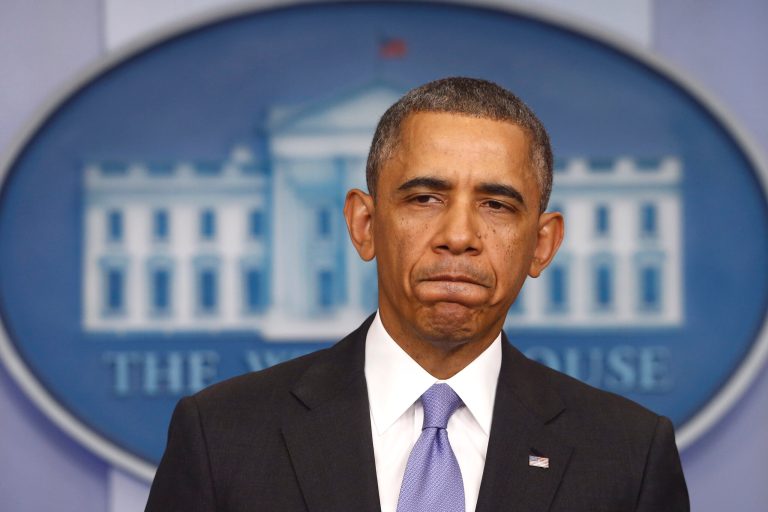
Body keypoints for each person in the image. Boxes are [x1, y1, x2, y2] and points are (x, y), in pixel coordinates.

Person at [145, 77, 689, 511]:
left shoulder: (628, 454)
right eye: (426, 198)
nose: (458, 235)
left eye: (496, 205)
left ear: (542, 245)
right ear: (364, 225)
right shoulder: (222, 435)